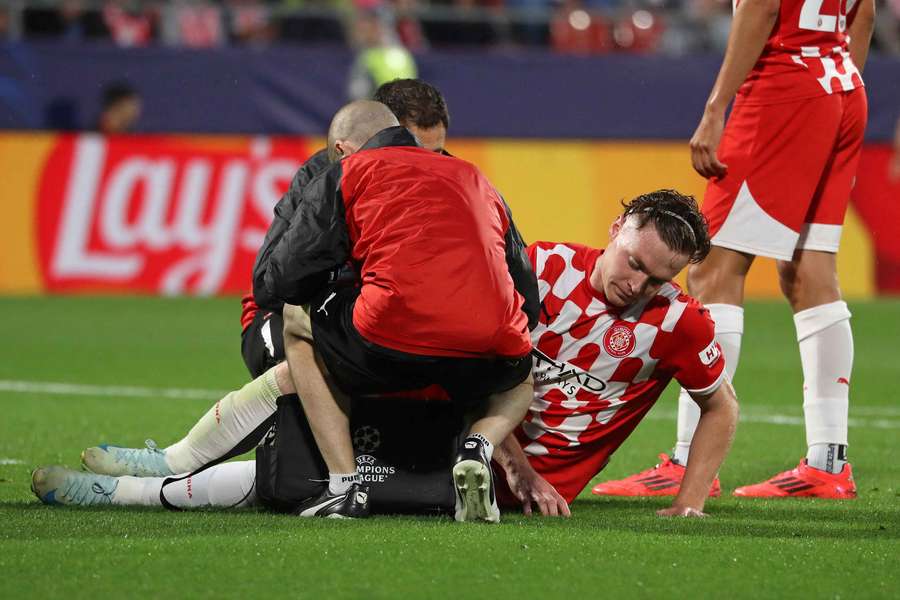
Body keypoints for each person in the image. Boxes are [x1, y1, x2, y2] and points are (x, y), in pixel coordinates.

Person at [33, 189, 739, 519]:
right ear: (615, 228)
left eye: (655, 277)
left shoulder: (678, 324)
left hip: (499, 485)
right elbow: (487, 372)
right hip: (466, 432)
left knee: (304, 482)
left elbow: (720, 406)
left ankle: (129, 492)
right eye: (632, 260)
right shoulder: (541, 266)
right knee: (311, 372)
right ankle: (165, 464)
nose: (635, 283)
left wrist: (691, 503)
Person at [594, 0, 874, 500]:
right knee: (811, 271)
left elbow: (764, 6)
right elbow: (865, 14)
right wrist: (831, 87)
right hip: (842, 85)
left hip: (782, 91)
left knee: (714, 269)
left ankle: (687, 460)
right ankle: (828, 462)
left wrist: (715, 106)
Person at [253, 100, 537, 522]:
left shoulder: (347, 173)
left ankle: (344, 487)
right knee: (518, 358)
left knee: (296, 318)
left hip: (385, 347)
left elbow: (276, 284)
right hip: (482, 357)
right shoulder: (475, 177)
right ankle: (479, 445)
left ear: (342, 149)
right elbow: (527, 295)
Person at [241, 79, 450, 381]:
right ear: (380, 134)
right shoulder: (324, 178)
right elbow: (268, 287)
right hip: (303, 312)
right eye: (412, 150)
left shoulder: (454, 181)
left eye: (438, 153)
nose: (426, 165)